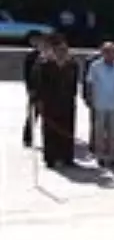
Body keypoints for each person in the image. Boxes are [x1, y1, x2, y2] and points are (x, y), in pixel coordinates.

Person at [31, 34, 80, 168]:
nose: (62, 53)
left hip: (67, 103)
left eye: (64, 50)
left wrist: (73, 98)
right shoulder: (45, 65)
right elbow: (38, 85)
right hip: (50, 103)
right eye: (59, 50)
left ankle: (67, 157)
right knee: (50, 131)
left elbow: (74, 84)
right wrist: (38, 101)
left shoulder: (72, 65)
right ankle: (51, 158)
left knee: (67, 130)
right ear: (54, 51)